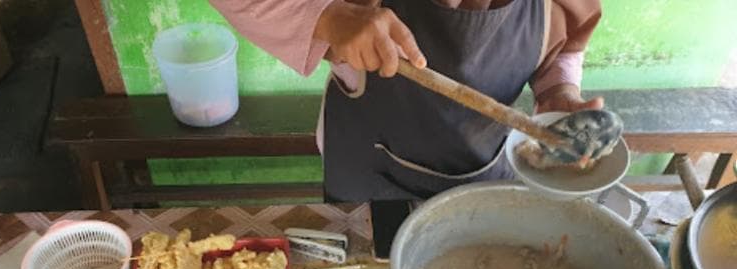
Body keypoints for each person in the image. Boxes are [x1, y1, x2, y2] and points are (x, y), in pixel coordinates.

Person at [210, 0, 603, 202]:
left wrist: (559, 93)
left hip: (483, 176)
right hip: (367, 183)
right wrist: (328, 16)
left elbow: (564, 43)